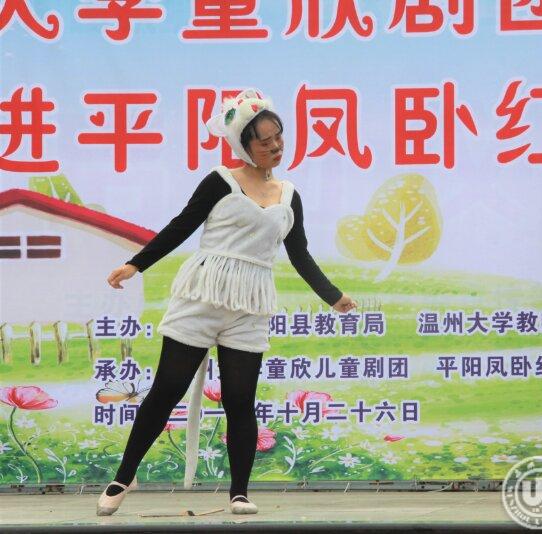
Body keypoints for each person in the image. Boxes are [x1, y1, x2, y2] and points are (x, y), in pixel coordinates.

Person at [98, 89, 356, 516]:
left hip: (249, 304)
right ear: (243, 146)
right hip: (202, 295)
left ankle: (239, 492)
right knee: (166, 391)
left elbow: (299, 253)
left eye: (278, 137)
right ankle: (124, 476)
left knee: (239, 400)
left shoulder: (289, 195)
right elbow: (181, 226)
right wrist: (135, 265)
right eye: (264, 141)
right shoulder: (221, 181)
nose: (275, 146)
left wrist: (334, 296)